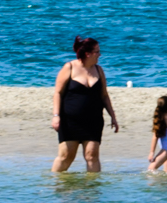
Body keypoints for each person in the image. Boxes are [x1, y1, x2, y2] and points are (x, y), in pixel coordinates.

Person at [50, 36, 120, 173]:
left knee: (92, 155)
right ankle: (56, 184)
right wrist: (56, 115)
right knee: (66, 156)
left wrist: (113, 116)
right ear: (87, 53)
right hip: (70, 120)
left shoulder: (99, 70)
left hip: (93, 121)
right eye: (97, 52)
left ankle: (92, 190)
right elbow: (58, 93)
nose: (100, 55)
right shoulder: (69, 67)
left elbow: (104, 95)